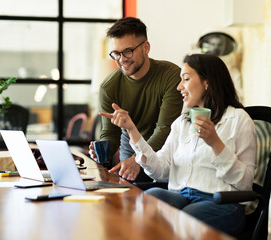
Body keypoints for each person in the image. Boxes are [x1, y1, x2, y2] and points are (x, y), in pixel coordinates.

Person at [99, 53, 257, 235]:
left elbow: (245, 184)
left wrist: (215, 143)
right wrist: (132, 130)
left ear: (207, 82)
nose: (179, 86)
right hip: (180, 196)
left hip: (221, 202)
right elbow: (160, 171)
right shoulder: (181, 123)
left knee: (182, 219)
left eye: (186, 79)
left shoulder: (238, 120)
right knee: (148, 200)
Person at [88, 17, 183, 182]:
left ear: (146, 47)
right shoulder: (108, 87)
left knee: (157, 191)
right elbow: (110, 134)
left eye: (128, 51)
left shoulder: (171, 75)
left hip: (167, 145)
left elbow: (165, 129)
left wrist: (139, 158)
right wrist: (102, 149)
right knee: (130, 192)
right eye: (116, 53)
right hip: (131, 143)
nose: (121, 59)